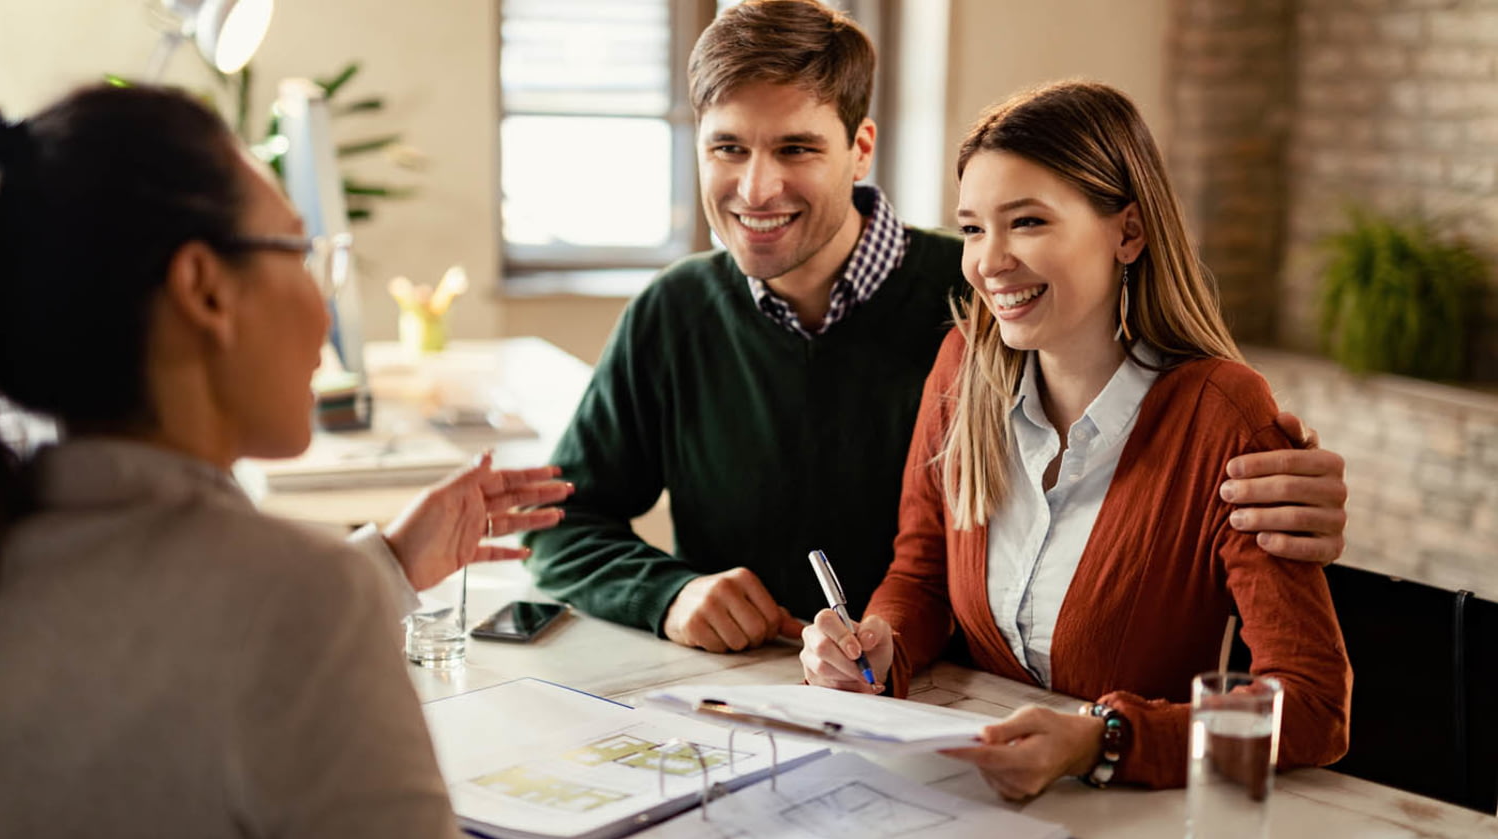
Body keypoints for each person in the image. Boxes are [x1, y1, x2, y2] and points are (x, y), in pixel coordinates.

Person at [525, 0, 1349, 654]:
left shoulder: (996, 306)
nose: (756, 186)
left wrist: (1278, 478)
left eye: (797, 148)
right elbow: (562, 525)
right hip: (752, 702)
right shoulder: (673, 313)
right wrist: (670, 594)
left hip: (961, 709)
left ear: (861, 149)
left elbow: (1154, 440)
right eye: (728, 147)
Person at [0, 84, 570, 839]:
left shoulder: (27, 541)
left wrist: (390, 561)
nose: (325, 310)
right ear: (205, 289)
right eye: (300, 253)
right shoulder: (300, 599)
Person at [799, 80, 1352, 795]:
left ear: (1128, 231)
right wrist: (880, 643)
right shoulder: (962, 372)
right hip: (970, 799)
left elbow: (1312, 705)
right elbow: (921, 573)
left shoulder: (1224, 416)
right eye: (972, 228)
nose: (988, 261)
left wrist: (1105, 738)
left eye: (1026, 221)